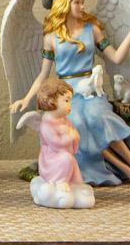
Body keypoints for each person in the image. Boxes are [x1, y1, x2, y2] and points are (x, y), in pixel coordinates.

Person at [10, 0, 130, 186]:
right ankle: (126, 169)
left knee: (99, 118)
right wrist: (26, 98)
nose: (82, 6)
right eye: (77, 2)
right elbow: (43, 74)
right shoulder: (51, 38)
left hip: (91, 90)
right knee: (77, 125)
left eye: (82, 2)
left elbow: (115, 58)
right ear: (65, 5)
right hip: (66, 95)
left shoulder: (92, 29)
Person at [29, 79, 95, 209]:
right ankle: (59, 182)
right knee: (67, 158)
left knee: (71, 160)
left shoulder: (64, 120)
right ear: (51, 101)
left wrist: (74, 137)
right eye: (66, 100)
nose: (70, 105)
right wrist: (70, 136)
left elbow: (73, 139)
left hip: (63, 157)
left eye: (70, 100)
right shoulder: (46, 124)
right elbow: (56, 144)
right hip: (51, 161)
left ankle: (75, 184)